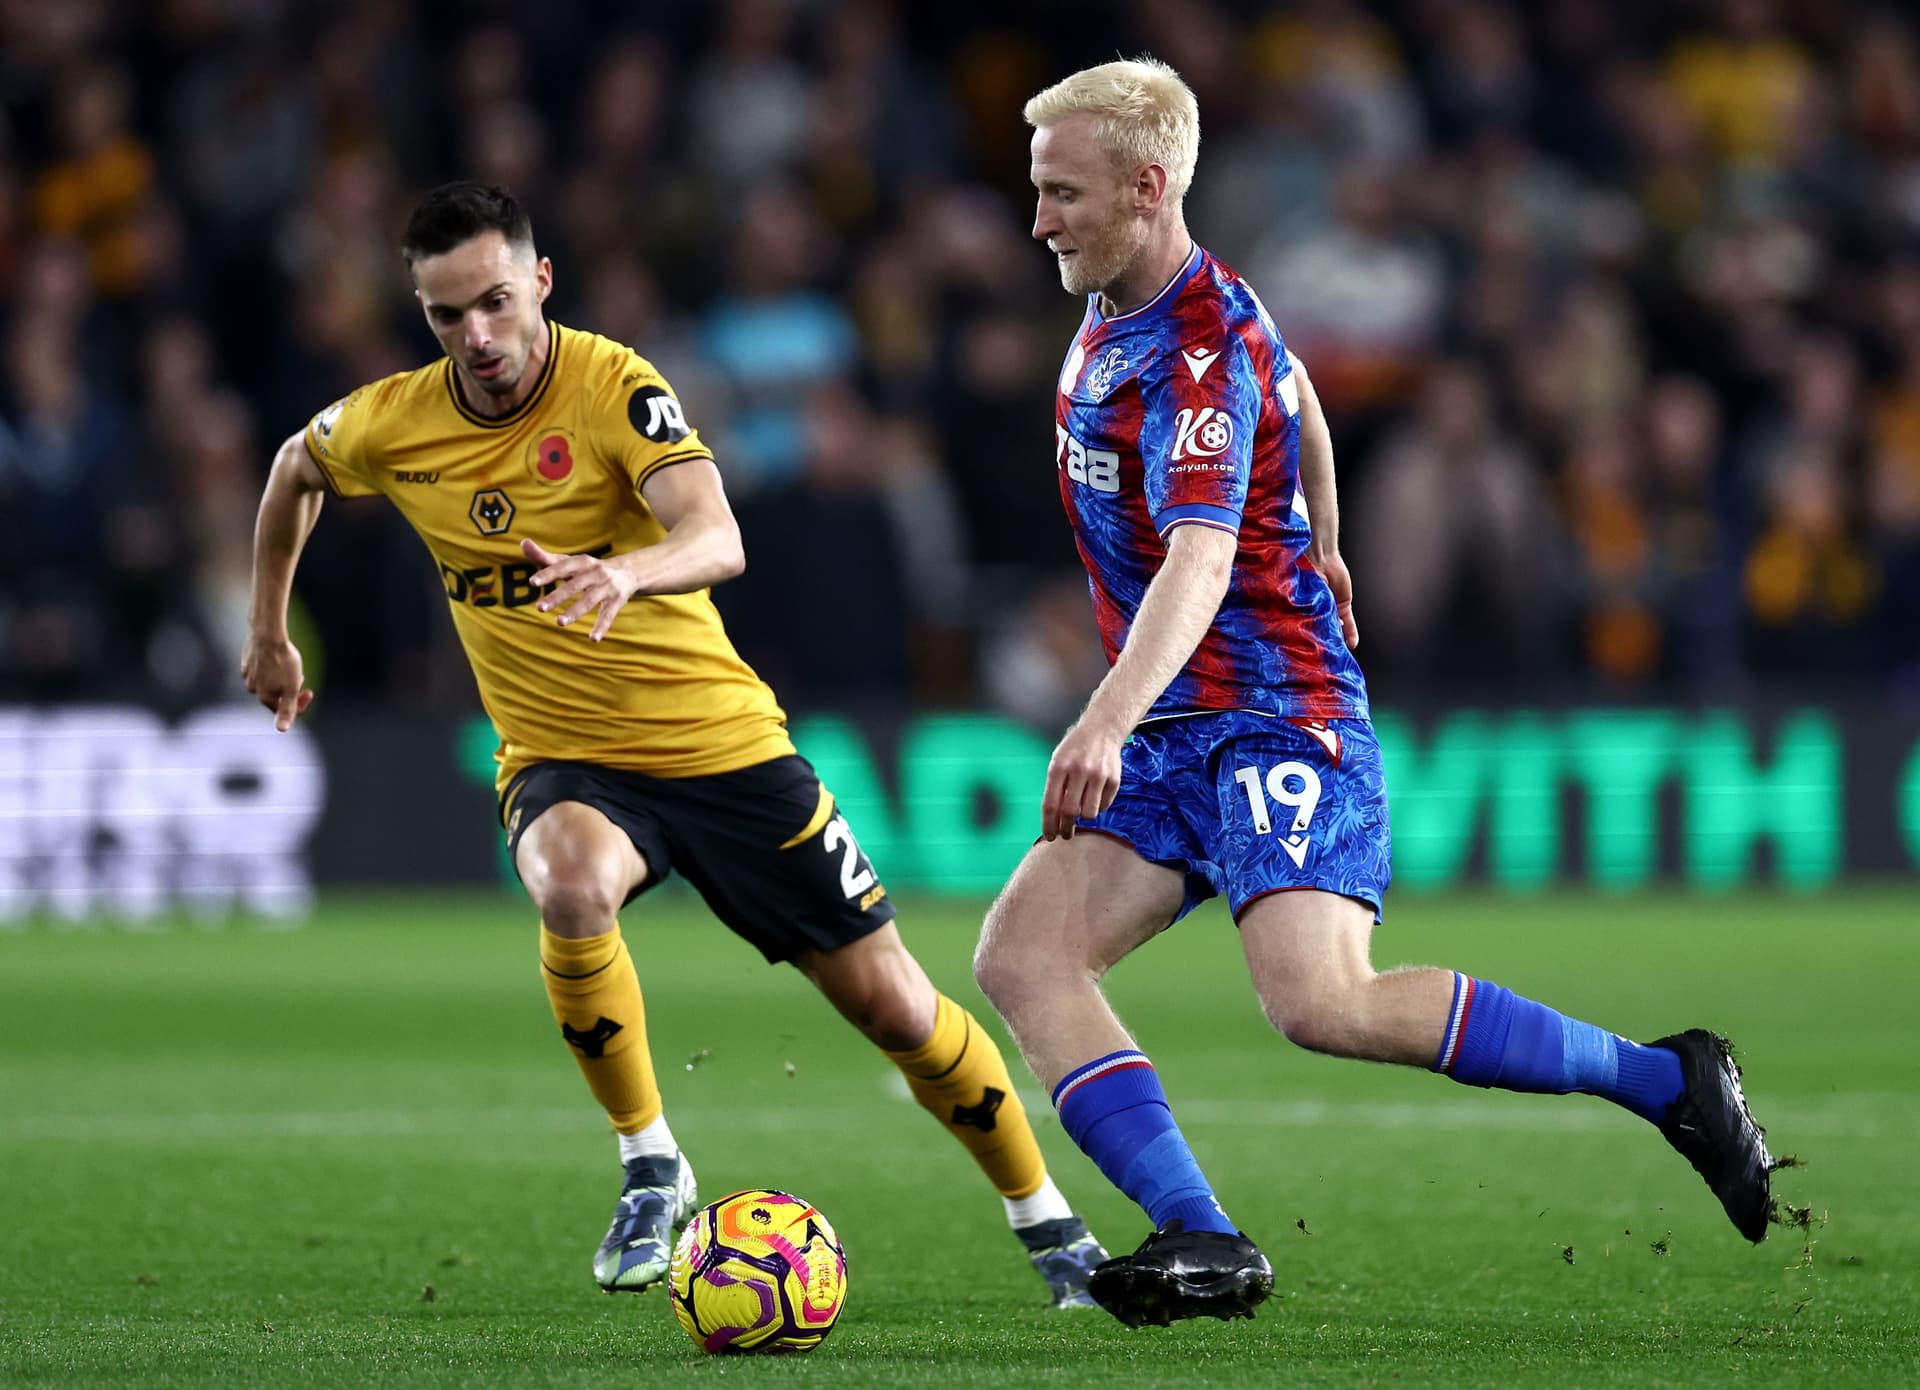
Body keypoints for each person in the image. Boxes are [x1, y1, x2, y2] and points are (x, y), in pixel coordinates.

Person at [971, 59, 1777, 1330]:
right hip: (1185, 715)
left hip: (1272, 710)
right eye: (1037, 192)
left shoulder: (1191, 352)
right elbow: (1298, 393)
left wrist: (1105, 716)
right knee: (1023, 953)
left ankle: (1666, 1079)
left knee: (1320, 1003)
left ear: (1148, 184)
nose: (1040, 221)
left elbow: (1203, 555)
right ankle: (1203, 1235)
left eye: (1062, 194)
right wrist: (1331, 532)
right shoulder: (1142, 302)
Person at [241, 181, 1107, 1308]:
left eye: (496, 303)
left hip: (722, 750)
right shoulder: (395, 421)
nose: (479, 337)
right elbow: (293, 471)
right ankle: (650, 1158)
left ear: (540, 281)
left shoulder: (613, 386)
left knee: (895, 1006)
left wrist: (626, 569)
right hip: (567, 758)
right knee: (568, 882)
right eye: (447, 315)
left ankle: (1050, 1225)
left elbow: (718, 533)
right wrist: (267, 632)